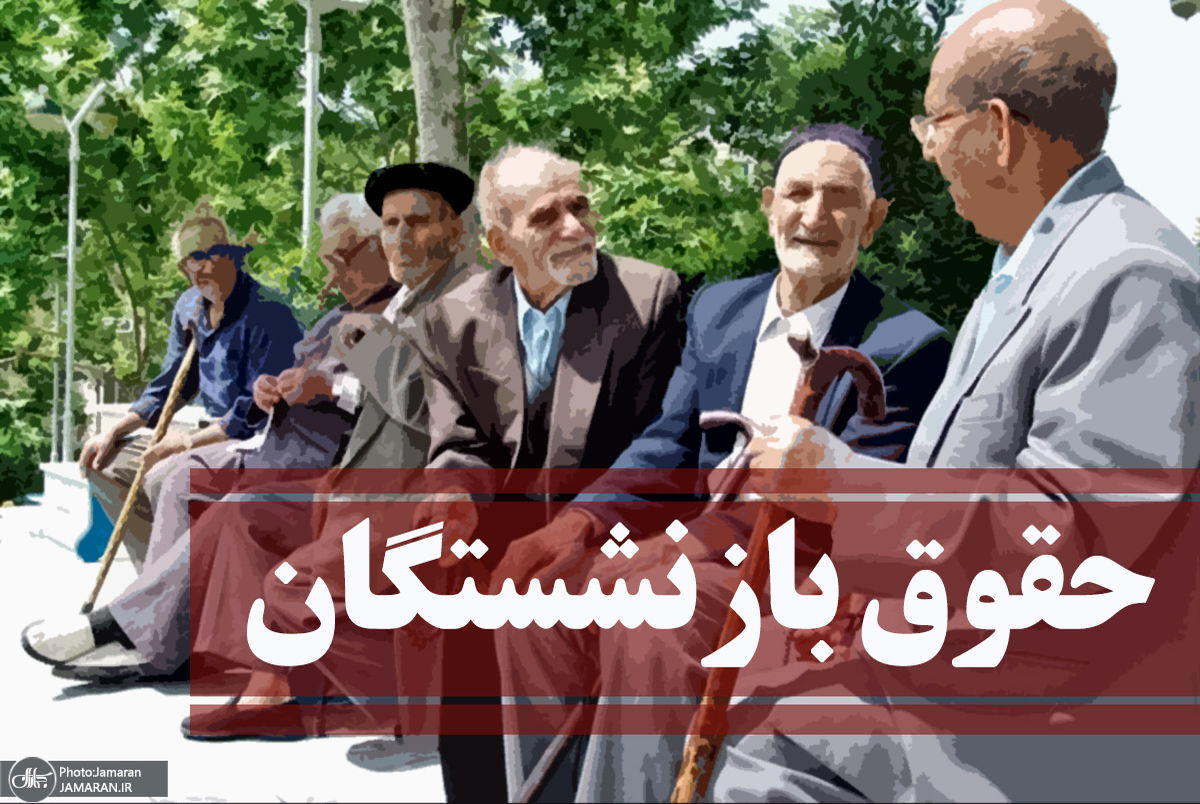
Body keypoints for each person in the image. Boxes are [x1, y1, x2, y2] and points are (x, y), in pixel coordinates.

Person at [714, 1, 1200, 801]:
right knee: (751, 689)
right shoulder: (1029, 266)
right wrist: (873, 591)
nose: (927, 146)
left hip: (1040, 725)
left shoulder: (1131, 275)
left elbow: (1074, 544)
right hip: (969, 669)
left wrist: (837, 483)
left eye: (933, 121)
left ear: (998, 129)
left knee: (767, 763)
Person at [493, 124, 953, 802]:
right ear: (769, 205)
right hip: (693, 552)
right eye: (797, 193)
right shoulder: (717, 309)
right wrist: (577, 524)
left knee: (653, 616)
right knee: (531, 598)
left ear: (874, 220)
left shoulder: (905, 344)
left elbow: (844, 513)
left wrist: (687, 547)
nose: (815, 215)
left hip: (793, 573)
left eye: (840, 198)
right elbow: (668, 442)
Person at [19, 192, 401, 681]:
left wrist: (327, 388)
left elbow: (399, 395)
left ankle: (126, 626)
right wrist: (271, 389)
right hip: (270, 446)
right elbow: (184, 385)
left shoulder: (385, 316)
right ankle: (165, 632)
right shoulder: (318, 317)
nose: (333, 276)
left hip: (316, 463)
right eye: (330, 262)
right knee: (178, 481)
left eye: (342, 260)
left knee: (219, 501)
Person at [413, 143, 688, 801]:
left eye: (580, 206)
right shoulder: (450, 320)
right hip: (500, 536)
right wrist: (453, 497)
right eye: (546, 216)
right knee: (457, 598)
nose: (575, 227)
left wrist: (576, 530)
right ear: (500, 243)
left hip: (611, 532)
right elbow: (458, 443)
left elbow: (659, 447)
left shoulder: (650, 298)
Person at [182, 163, 481, 741]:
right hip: (351, 487)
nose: (400, 237)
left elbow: (425, 406)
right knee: (242, 512)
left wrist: (354, 341)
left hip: (415, 499)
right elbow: (375, 401)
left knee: (288, 573)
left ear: (456, 231)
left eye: (417, 222)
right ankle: (266, 678)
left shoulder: (466, 300)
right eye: (390, 224)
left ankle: (362, 698)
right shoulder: (401, 302)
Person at [75, 201, 303, 563]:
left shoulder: (268, 313)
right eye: (188, 262)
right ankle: (158, 576)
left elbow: (251, 415)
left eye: (205, 257)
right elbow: (171, 386)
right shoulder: (189, 307)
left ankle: (174, 584)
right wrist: (115, 431)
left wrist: (184, 443)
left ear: (229, 255)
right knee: (104, 463)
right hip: (208, 435)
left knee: (163, 475)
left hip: (255, 443)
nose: (196, 271)